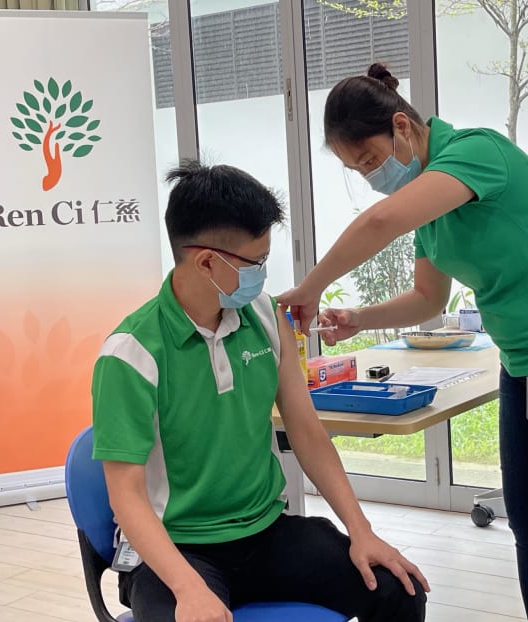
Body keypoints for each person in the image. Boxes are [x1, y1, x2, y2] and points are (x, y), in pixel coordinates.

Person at [278, 64, 528, 622]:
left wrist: (310, 287)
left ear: (403, 126)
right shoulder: (431, 204)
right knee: (527, 525)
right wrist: (357, 316)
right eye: (357, 169)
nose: (371, 176)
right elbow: (428, 298)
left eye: (370, 161)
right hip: (523, 364)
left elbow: (381, 224)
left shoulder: (476, 152)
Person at [91, 160, 428, 622]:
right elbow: (125, 495)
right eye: (256, 262)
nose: (263, 275)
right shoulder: (131, 353)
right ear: (206, 260)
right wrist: (189, 589)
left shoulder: (266, 317)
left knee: (398, 588)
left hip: (267, 532)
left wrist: (361, 529)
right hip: (177, 549)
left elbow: (306, 430)